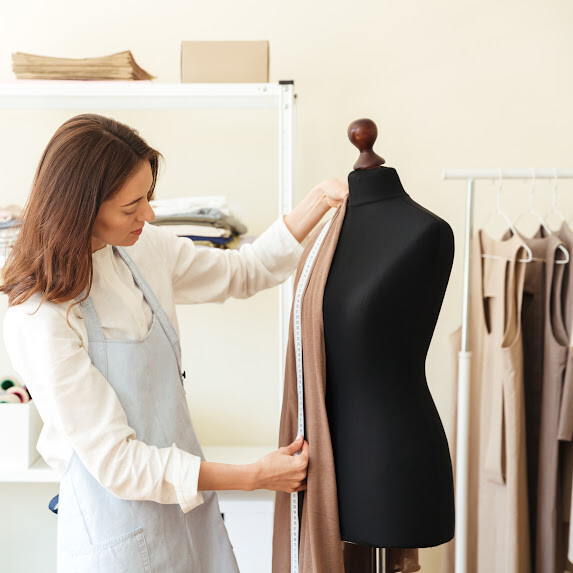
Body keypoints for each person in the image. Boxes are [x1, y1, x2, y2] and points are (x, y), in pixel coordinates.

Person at [0, 113, 348, 572]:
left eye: (148, 197)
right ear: (80, 208)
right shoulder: (39, 314)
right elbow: (118, 462)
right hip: (116, 533)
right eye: (131, 207)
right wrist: (253, 477)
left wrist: (319, 201)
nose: (147, 215)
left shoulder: (143, 249)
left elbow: (244, 272)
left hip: (188, 514)